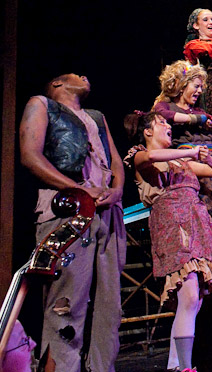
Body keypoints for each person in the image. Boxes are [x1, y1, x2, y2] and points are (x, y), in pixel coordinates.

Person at [19, 73, 126, 372]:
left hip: (106, 210)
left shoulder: (96, 116)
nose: (84, 76)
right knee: (66, 301)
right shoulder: (41, 104)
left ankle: (103, 368)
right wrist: (76, 189)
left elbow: (115, 160)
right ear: (56, 84)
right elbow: (30, 155)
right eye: (75, 75)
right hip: (68, 208)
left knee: (109, 305)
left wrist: (117, 189)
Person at [124, 111, 212, 372]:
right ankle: (184, 367)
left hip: (196, 222)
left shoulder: (181, 159)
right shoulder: (138, 154)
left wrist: (207, 156)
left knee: (194, 298)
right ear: (147, 132)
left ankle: (175, 364)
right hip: (172, 222)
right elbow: (151, 157)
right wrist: (190, 154)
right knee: (189, 293)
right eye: (161, 123)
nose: (167, 126)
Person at [152, 60, 212, 264]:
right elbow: (163, 116)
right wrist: (198, 121)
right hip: (196, 167)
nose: (200, 91)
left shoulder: (200, 113)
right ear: (182, 84)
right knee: (205, 218)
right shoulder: (166, 106)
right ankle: (206, 269)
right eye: (196, 85)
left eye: (202, 87)